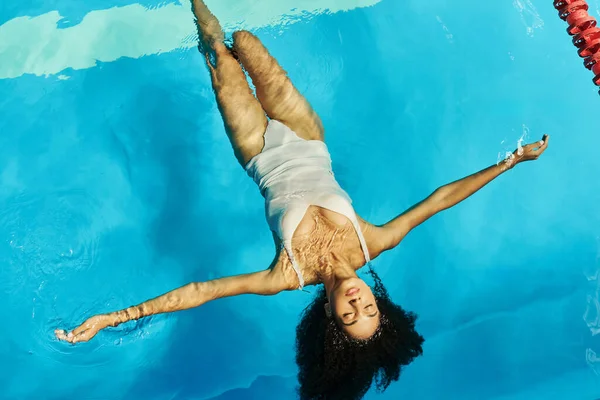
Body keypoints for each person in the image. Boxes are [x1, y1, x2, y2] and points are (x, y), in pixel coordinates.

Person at [55, 0, 550, 398]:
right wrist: (511, 161)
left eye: (349, 317)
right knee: (247, 43)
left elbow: (200, 292)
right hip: (308, 137)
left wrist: (111, 318)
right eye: (370, 310)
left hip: (256, 152)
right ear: (380, 302)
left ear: (330, 319)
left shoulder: (286, 275)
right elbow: (441, 200)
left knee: (220, 56)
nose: (358, 305)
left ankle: (195, 4)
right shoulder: (373, 243)